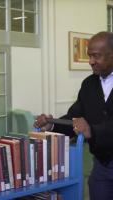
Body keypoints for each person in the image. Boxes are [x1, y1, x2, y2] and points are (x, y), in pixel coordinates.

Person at [34, 31, 113, 200]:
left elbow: (92, 128)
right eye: (89, 56)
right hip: (103, 166)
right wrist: (52, 125)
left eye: (96, 56)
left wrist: (93, 131)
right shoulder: (89, 84)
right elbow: (74, 117)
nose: (91, 62)